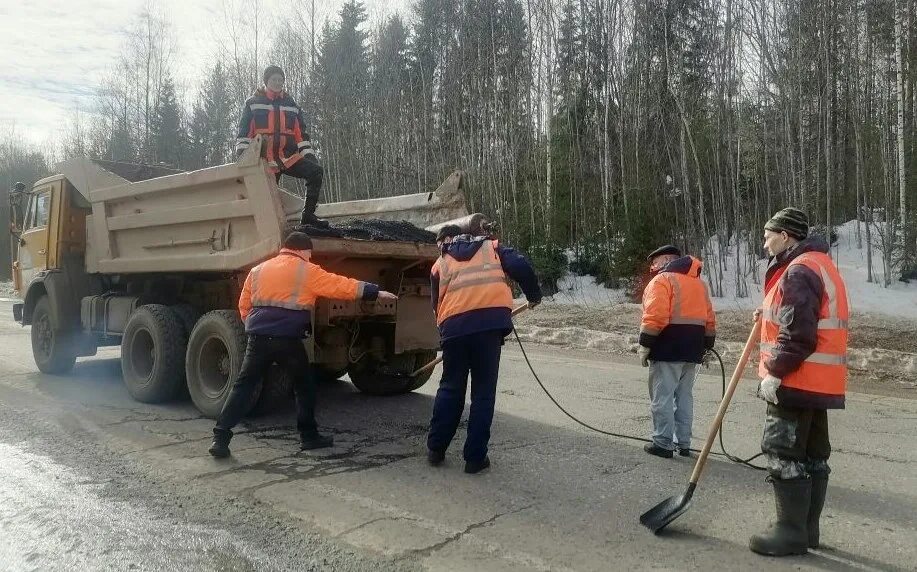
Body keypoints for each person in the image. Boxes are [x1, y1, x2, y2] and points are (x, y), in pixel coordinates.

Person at [209, 232, 398, 458]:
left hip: (258, 339)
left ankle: (220, 438)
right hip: (289, 341)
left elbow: (244, 304)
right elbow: (340, 285)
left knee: (243, 386)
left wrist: (254, 326)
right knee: (304, 386)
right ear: (302, 250)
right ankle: (309, 437)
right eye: (309, 253)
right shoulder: (306, 271)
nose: (310, 257)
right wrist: (374, 291)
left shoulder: (258, 270)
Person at [749, 208, 848, 557]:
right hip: (819, 383)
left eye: (767, 235)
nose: (764, 241)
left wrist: (775, 372)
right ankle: (807, 530)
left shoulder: (798, 270)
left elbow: (798, 335)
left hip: (795, 379)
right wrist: (768, 310)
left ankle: (790, 531)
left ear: (786, 237)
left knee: (782, 451)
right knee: (812, 455)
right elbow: (802, 317)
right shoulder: (820, 265)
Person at [426, 225, 542, 474]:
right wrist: (534, 295)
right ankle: (475, 458)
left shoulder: (440, 263)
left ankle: (436, 449)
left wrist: (445, 334)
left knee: (450, 387)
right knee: (483, 393)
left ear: (447, 239)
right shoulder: (493, 247)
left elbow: (435, 304)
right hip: (488, 326)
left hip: (454, 329)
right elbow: (521, 266)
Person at [638, 244, 716, 459]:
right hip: (692, 349)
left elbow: (655, 315)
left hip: (667, 347)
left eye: (654, 262)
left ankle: (663, 443)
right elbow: (709, 319)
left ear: (665, 260)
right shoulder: (699, 284)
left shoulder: (662, 281)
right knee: (684, 397)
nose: (652, 267)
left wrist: (645, 344)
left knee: (662, 397)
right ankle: (683, 443)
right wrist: (707, 346)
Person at [235, 65, 326, 227]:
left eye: (280, 80)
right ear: (266, 81)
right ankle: (265, 226)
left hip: (288, 157)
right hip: (266, 160)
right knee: (267, 195)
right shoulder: (253, 103)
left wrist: (309, 156)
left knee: (316, 172)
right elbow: (244, 134)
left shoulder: (291, 104)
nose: (277, 83)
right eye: (274, 79)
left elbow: (300, 135)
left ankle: (308, 217)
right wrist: (244, 159)